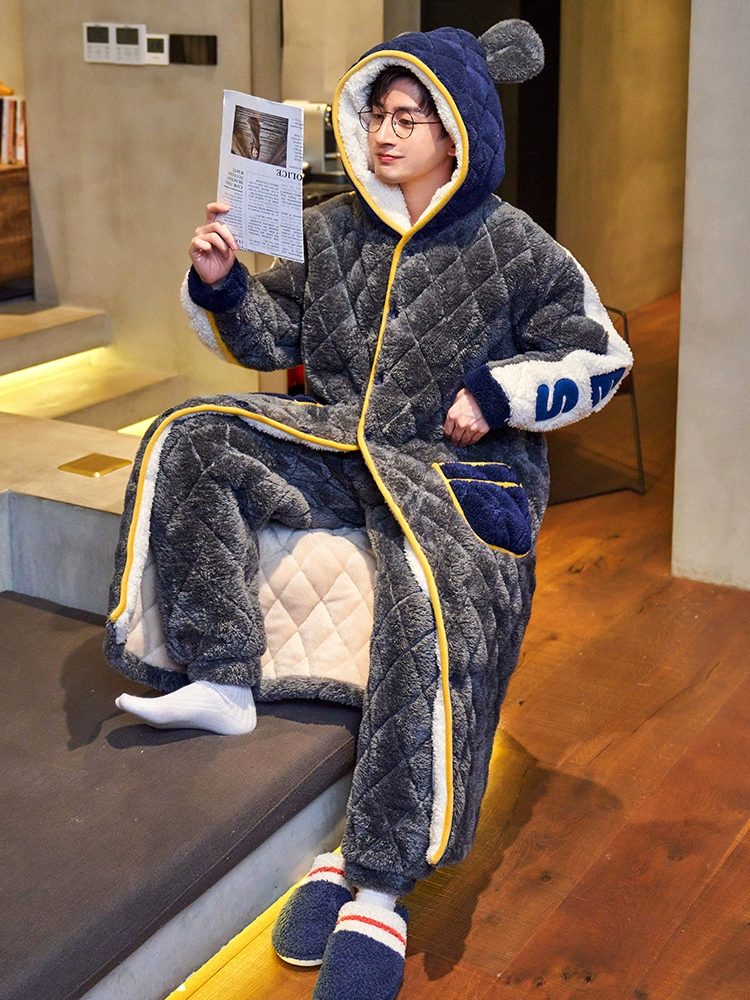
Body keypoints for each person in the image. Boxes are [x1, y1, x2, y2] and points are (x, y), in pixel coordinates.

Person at [106, 19, 632, 1000]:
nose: (385, 135)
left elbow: (601, 357)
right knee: (193, 435)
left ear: (456, 131)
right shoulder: (334, 229)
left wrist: (502, 393)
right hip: (345, 444)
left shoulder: (515, 246)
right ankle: (220, 674)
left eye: (408, 119)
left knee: (422, 587)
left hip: (460, 473)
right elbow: (271, 336)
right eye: (378, 115)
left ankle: (377, 881)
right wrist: (221, 284)